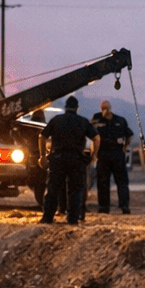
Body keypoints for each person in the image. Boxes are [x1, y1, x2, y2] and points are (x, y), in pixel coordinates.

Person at [40, 96, 99, 225]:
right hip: (76, 160)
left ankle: (47, 218)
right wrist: (94, 156)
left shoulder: (56, 120)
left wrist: (43, 156)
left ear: (65, 108)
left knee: (53, 188)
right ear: (77, 108)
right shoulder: (83, 121)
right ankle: (72, 219)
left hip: (58, 159)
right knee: (76, 190)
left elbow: (42, 136)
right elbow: (96, 138)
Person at [91, 99, 133, 214]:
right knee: (103, 182)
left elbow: (129, 135)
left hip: (117, 153)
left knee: (122, 181)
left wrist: (124, 147)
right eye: (103, 108)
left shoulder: (120, 120)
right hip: (103, 154)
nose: (105, 110)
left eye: (107, 108)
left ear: (111, 108)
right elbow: (91, 134)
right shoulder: (97, 118)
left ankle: (124, 206)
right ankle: (104, 207)